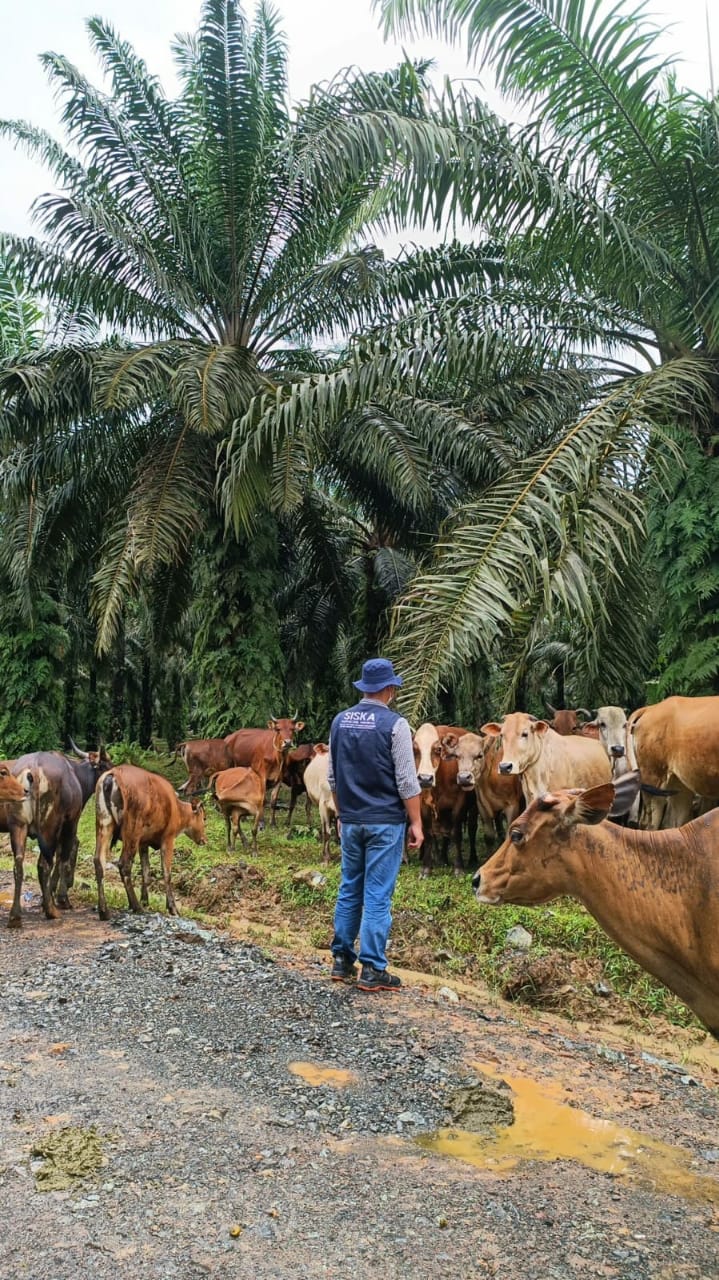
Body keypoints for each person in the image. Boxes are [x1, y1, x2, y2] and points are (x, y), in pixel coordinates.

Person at [328, 657, 424, 992]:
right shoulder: (396, 726)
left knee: (349, 887)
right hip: (385, 822)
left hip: (352, 820)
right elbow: (407, 781)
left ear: (364, 688)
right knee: (378, 895)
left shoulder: (340, 721)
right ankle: (372, 968)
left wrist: (342, 815)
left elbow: (333, 777)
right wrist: (417, 822)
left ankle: (341, 960)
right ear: (389, 689)